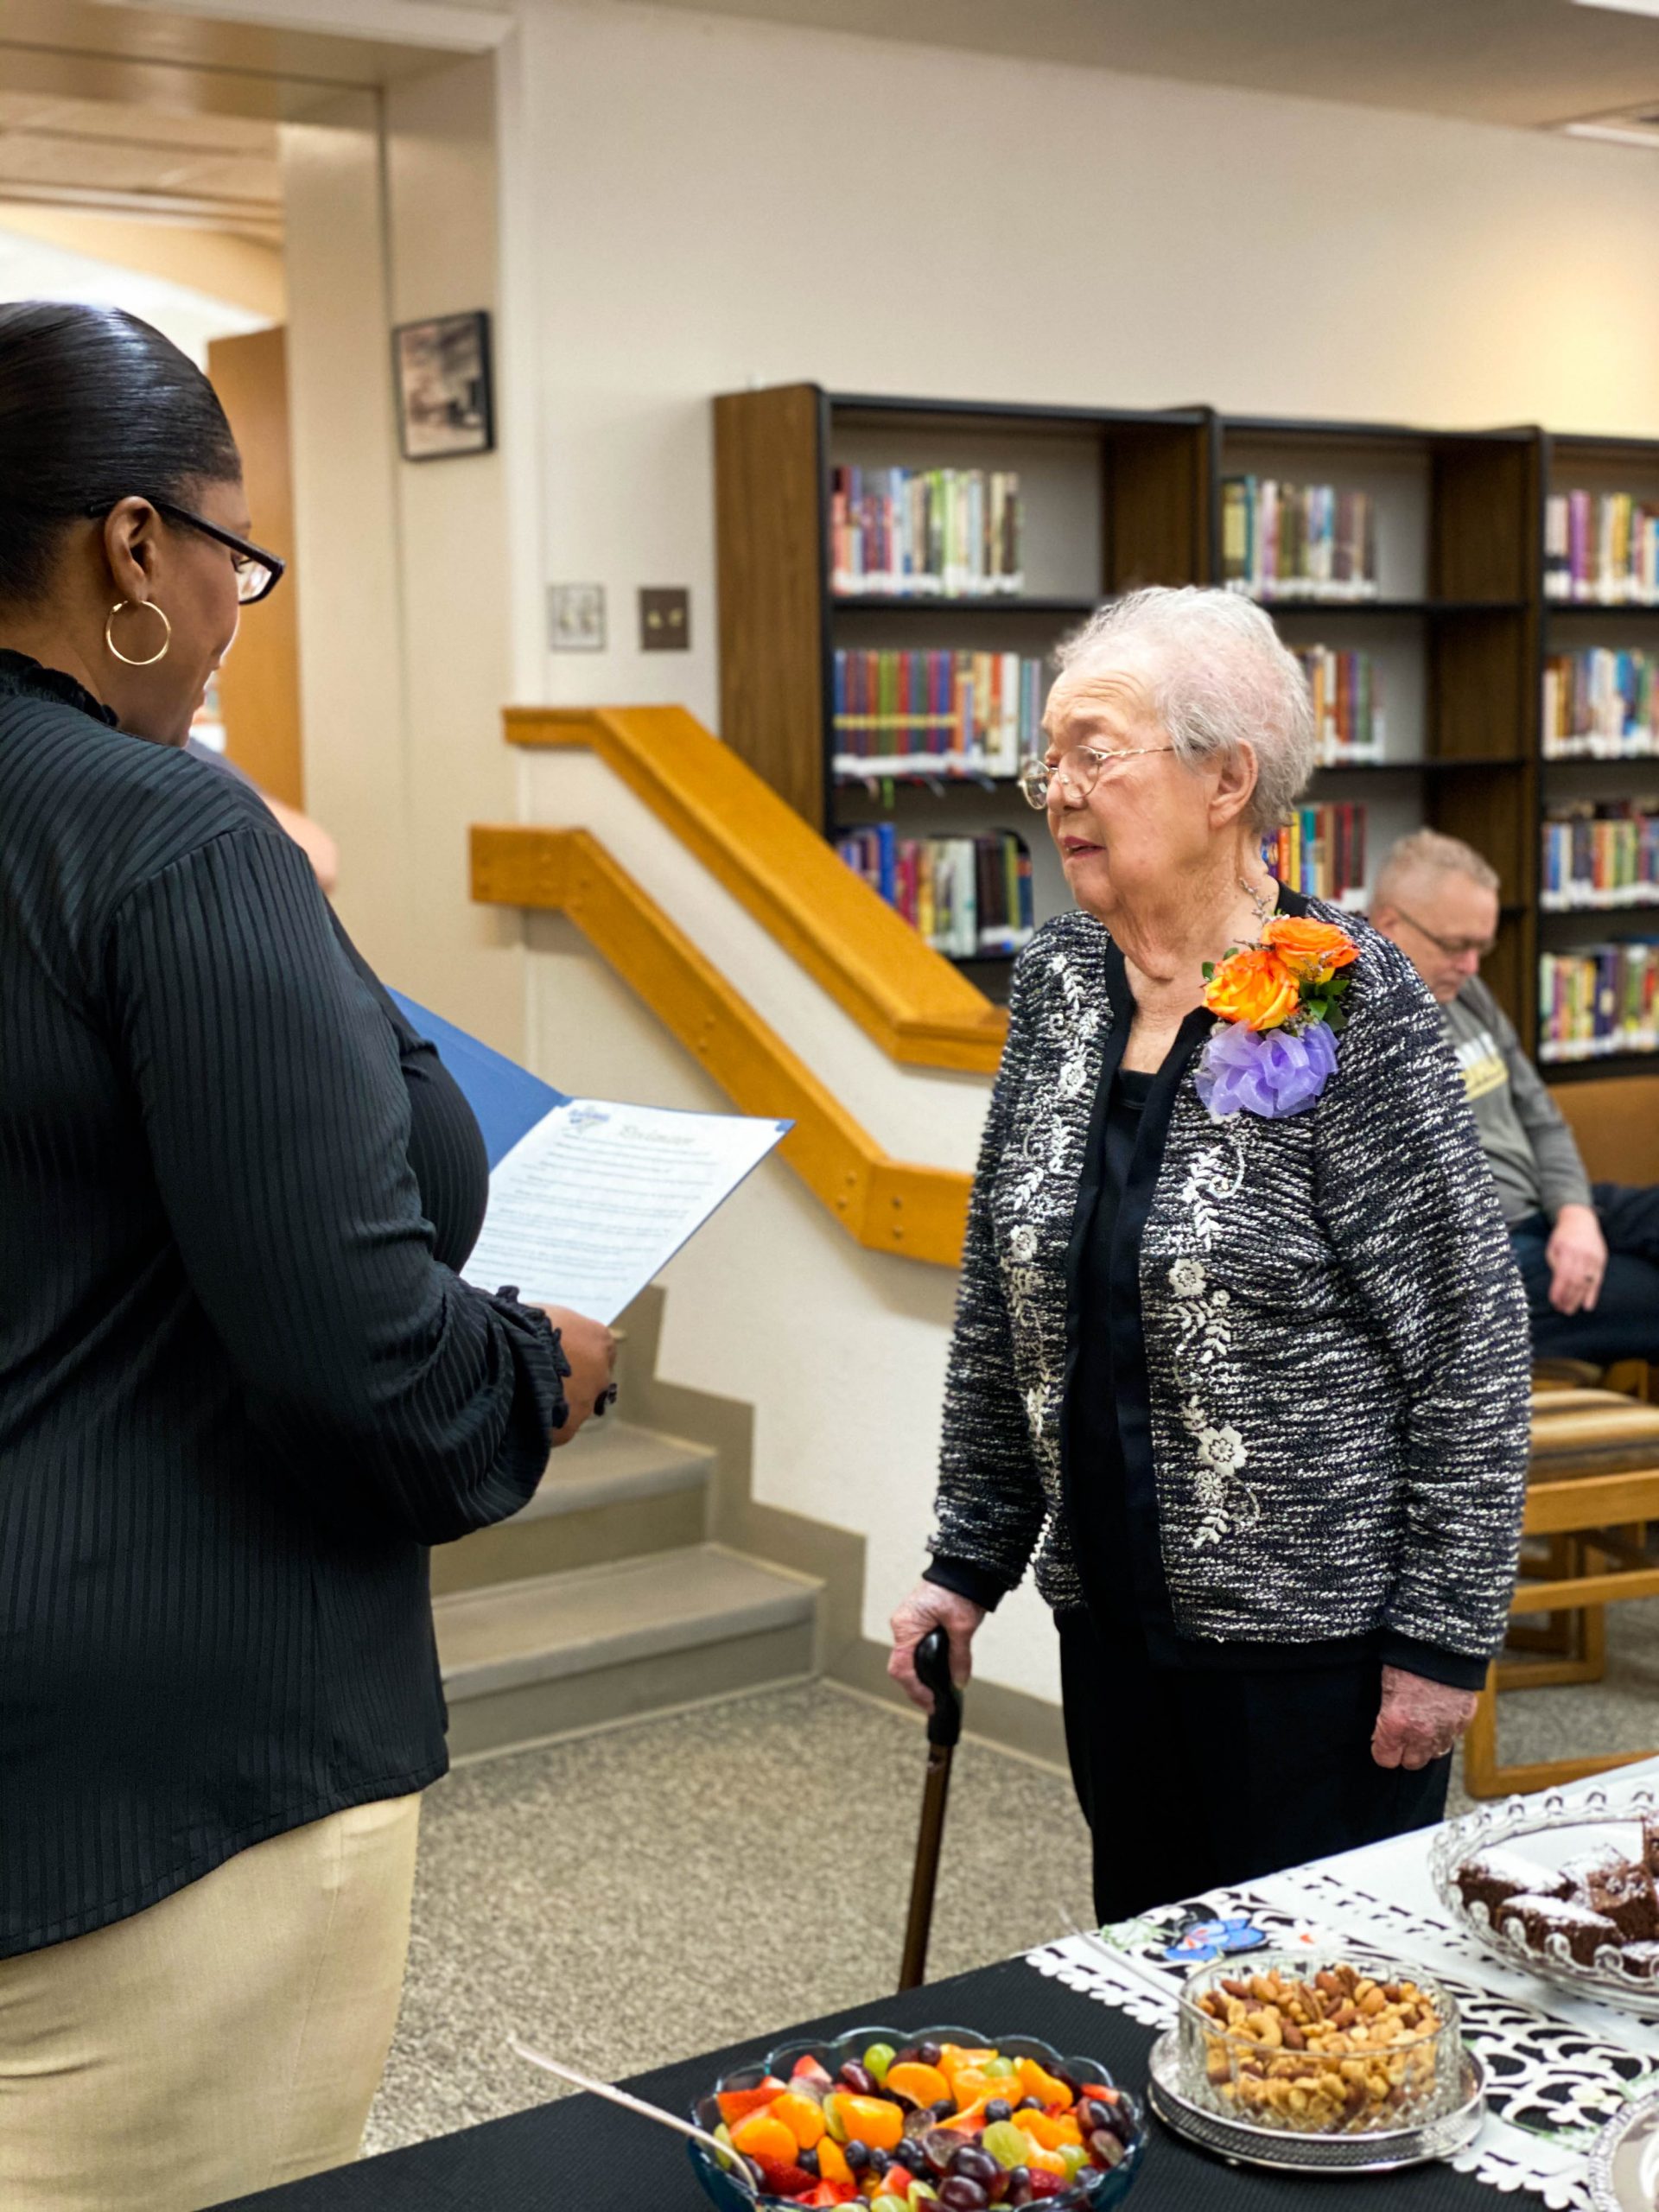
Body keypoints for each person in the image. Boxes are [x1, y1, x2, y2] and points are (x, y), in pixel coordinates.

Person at [0, 299, 615, 2209]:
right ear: (130, 547)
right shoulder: (169, 838)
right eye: (233, 562)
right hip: (161, 1752)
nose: (229, 614)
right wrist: (543, 1370)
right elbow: (356, 1352)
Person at [887, 588, 1530, 1926]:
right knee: (1152, 1970)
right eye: (1048, 759)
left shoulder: (1349, 998)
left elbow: (1471, 1340)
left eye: (1097, 753)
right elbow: (1009, 1316)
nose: (1059, 790)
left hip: (1320, 1661)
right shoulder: (1062, 985)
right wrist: (969, 1558)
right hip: (1112, 1628)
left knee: (1314, 2020)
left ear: (1229, 778)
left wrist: (1443, 1640)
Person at [1370, 827, 1659, 1366]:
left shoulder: (1463, 990)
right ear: (1389, 924)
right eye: (1457, 946)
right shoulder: (1358, 1027)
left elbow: (1540, 1115)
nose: (1474, 966)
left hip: (1546, 1208)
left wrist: (1574, 1213)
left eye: (1483, 946)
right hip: (1487, 1257)